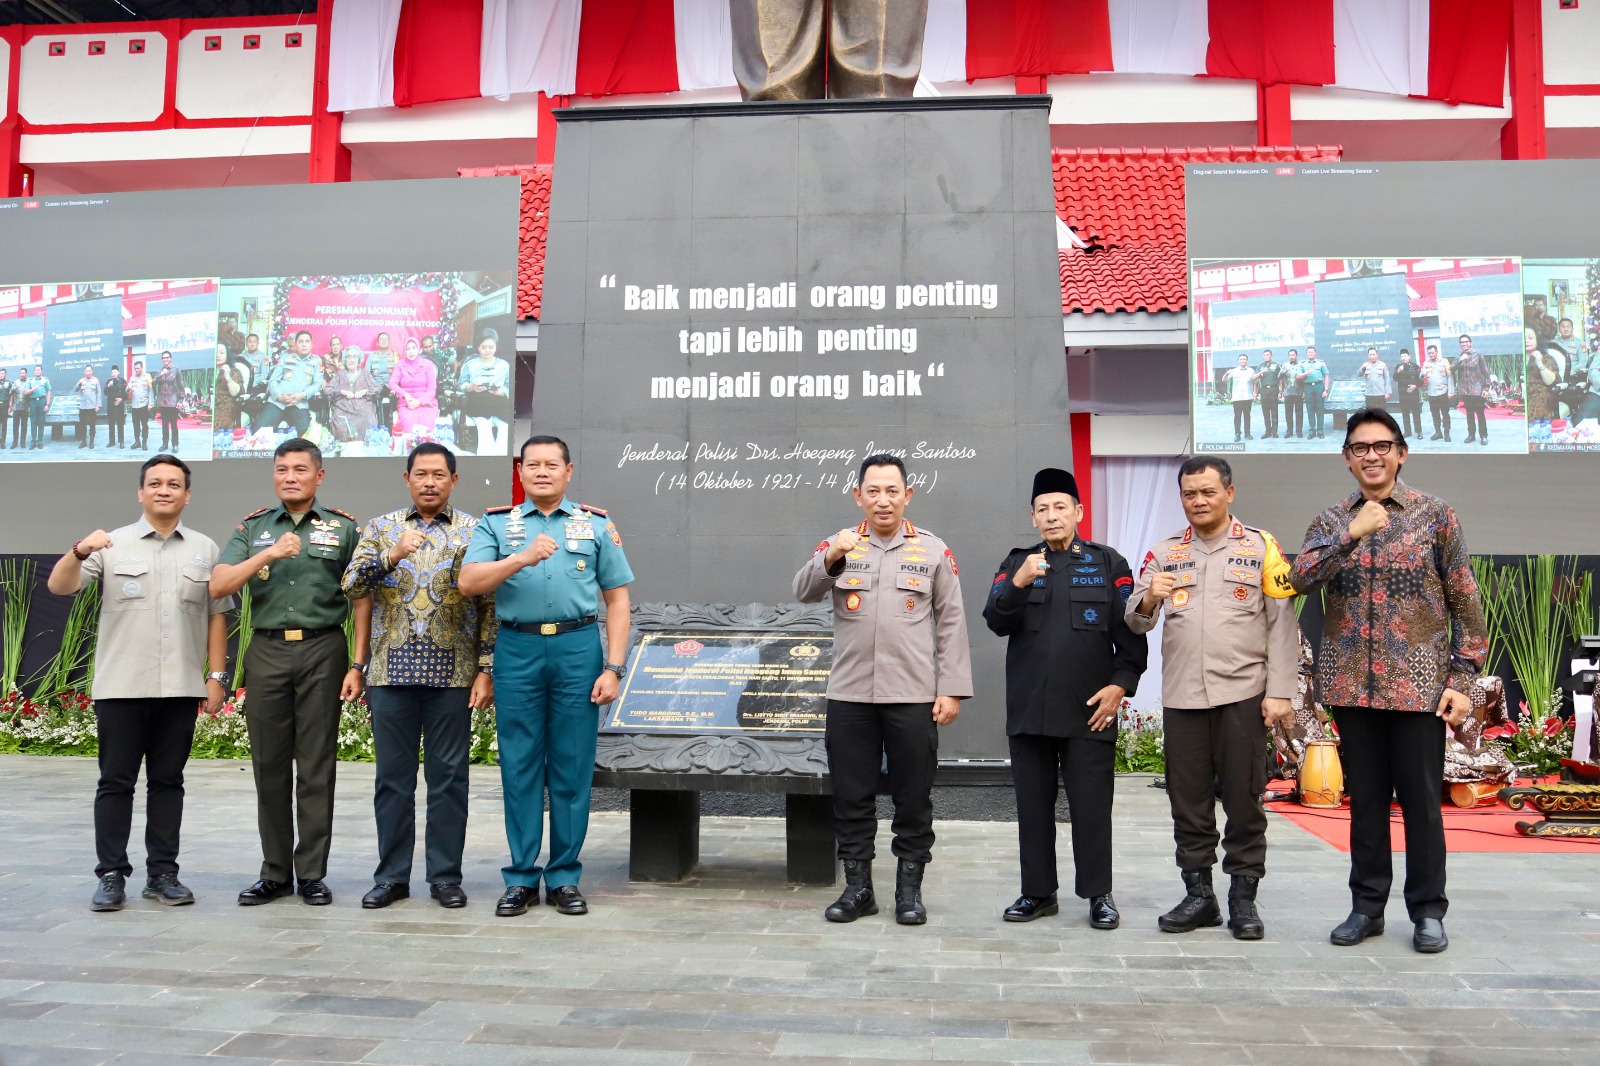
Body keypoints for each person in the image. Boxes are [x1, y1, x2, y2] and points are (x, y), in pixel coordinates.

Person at [1290, 409, 1487, 954]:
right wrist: (1350, 536)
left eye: (1382, 446)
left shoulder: (1435, 516)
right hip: (1352, 686)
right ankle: (1366, 907)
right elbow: (1299, 580)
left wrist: (1463, 679)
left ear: (1402, 452)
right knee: (1366, 802)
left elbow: (1465, 601)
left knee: (1423, 802)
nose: (1371, 455)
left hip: (1419, 687)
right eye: (1360, 447)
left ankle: (1427, 912)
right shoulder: (1331, 520)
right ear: (1346, 458)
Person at [46, 454, 233, 910]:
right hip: (121, 686)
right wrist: (80, 551)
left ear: (187, 494)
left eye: (173, 483)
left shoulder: (205, 549)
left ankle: (163, 874)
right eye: (154, 483)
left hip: (180, 689)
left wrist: (216, 677)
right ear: (140, 492)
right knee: (115, 783)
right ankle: (110, 874)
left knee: (168, 782)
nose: (163, 490)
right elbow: (59, 586)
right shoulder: (110, 544)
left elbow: (216, 618)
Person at [792, 454, 971, 925]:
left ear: (907, 495)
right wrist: (831, 557)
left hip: (913, 695)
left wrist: (950, 688)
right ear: (859, 496)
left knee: (914, 797)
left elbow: (951, 621)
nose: (883, 500)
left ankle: (908, 893)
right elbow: (802, 591)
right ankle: (858, 891)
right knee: (852, 796)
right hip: (850, 696)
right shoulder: (841, 544)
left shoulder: (932, 550)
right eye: (873, 491)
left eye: (892, 491)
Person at [459, 435, 634, 918]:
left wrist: (614, 668)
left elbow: (618, 600)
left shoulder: (595, 524)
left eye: (551, 465)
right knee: (519, 764)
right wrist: (519, 558)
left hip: (578, 648)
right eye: (532, 465)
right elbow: (468, 582)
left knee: (572, 766)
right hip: (518, 648)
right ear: (520, 471)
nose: (541, 472)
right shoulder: (497, 523)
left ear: (568, 471)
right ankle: (519, 878)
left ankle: (562, 877)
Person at [1126, 457, 1298, 940]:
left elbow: (1281, 624)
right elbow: (1136, 620)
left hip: (1243, 694)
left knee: (1244, 798)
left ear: (1229, 492)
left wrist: (1281, 692)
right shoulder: (1164, 553)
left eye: (1207, 492)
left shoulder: (1260, 547)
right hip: (1183, 697)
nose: (1198, 501)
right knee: (1188, 800)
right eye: (1189, 494)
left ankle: (1243, 898)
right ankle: (1199, 895)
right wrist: (1149, 597)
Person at [984, 468, 1145, 928]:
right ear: (1032, 518)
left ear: (1078, 512)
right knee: (1033, 810)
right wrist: (1017, 582)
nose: (1051, 517)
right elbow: (995, 619)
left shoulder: (1108, 563)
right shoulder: (1017, 562)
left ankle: (1099, 894)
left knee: (1092, 808)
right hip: (1030, 710)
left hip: (1089, 710)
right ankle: (1037, 893)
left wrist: (1119, 687)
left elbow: (1130, 636)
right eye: (1042, 510)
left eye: (1060, 507)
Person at [210, 438, 368, 907]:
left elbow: (362, 600)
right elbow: (220, 583)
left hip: (323, 649)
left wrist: (357, 663)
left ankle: (312, 873)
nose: (290, 477)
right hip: (267, 651)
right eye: (282, 470)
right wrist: (268, 555)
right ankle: (274, 872)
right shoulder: (253, 528)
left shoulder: (342, 529)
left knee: (316, 765)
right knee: (269, 765)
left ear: (319, 476)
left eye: (300, 469)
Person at [342, 443, 497, 910]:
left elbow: (489, 606)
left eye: (439, 475)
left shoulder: (475, 531)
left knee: (449, 780)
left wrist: (486, 669)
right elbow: (350, 585)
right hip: (390, 674)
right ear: (406, 478)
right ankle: (391, 877)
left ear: (454, 480)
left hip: (454, 675)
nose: (429, 482)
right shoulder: (382, 528)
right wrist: (390, 556)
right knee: (393, 780)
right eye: (421, 474)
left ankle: (445, 877)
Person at [457, 328, 512, 455]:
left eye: (491, 347)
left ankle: (499, 458)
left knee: (505, 427)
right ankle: (486, 458)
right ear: (478, 348)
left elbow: (511, 387)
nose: (487, 350)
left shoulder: (504, 365)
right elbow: (460, 384)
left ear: (496, 347)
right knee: (484, 425)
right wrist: (472, 387)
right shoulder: (470, 364)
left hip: (498, 401)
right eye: (484, 347)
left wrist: (501, 392)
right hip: (478, 401)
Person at [263, 332, 323, 438]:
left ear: (311, 344)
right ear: (295, 344)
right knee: (259, 433)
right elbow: (272, 381)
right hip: (277, 403)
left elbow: (318, 384)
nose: (304, 345)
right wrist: (280, 396)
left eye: (307, 341)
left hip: (299, 404)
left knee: (305, 436)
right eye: (300, 341)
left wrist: (302, 395)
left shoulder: (317, 361)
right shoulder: (285, 358)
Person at [328, 348, 381, 444]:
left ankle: (365, 448)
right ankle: (342, 450)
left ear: (359, 360)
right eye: (348, 357)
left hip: (363, 407)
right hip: (342, 407)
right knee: (340, 424)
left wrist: (365, 391)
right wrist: (341, 391)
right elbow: (328, 389)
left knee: (367, 417)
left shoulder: (365, 374)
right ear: (345, 360)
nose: (351, 360)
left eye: (354, 357)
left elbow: (377, 388)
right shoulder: (340, 374)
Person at [389, 338, 439, 437]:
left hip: (426, 402)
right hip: (407, 402)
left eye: (413, 348)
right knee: (407, 420)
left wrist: (419, 402)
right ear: (405, 351)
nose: (411, 352)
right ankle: (409, 449)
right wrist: (405, 395)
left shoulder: (428, 364)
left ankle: (426, 448)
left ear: (418, 349)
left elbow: (432, 390)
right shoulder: (400, 364)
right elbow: (392, 383)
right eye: (408, 349)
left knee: (427, 420)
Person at [1454, 334, 1489, 446]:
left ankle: (1483, 436)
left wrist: (1486, 388)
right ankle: (1471, 435)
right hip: (1465, 392)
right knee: (1469, 414)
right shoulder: (1458, 356)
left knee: (1480, 414)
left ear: (1470, 342)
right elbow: (1452, 369)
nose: (1464, 344)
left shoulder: (1478, 355)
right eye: (1462, 342)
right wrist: (1460, 360)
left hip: (1478, 391)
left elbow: (1486, 372)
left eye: (1466, 342)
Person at [1525, 327, 1562, 423]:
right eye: (1524, 338)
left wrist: (1540, 363)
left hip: (1540, 397)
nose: (1526, 341)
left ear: (1537, 340)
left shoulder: (1546, 358)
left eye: (1530, 338)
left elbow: (1551, 381)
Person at [1421, 343, 1453, 441]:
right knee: (1434, 414)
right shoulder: (1425, 364)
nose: (1431, 355)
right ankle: (1438, 432)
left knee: (1445, 413)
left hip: (1443, 392)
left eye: (1433, 353)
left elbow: (1450, 377)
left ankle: (1447, 433)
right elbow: (1421, 379)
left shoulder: (1444, 362)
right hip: (1432, 393)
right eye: (1429, 353)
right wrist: (1422, 375)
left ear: (1437, 352)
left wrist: (1450, 391)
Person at [1220, 354, 1256, 442]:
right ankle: (1237, 434)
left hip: (1248, 397)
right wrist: (1226, 373)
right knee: (1237, 417)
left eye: (1244, 359)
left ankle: (1247, 433)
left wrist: (1254, 394)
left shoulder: (1251, 370)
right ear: (1238, 361)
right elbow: (1224, 380)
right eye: (1241, 359)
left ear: (1247, 361)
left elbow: (1255, 382)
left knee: (1247, 416)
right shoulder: (1234, 371)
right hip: (1237, 398)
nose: (1243, 360)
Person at [215, 345, 251, 431]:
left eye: (222, 353)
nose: (218, 355)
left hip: (227, 406)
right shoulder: (208, 371)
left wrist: (227, 376)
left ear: (227, 355)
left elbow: (236, 393)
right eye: (215, 352)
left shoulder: (233, 371)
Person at [153, 351, 183, 451]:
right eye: (163, 358)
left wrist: (180, 400)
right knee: (164, 425)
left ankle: (175, 444)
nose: (165, 359)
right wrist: (161, 374)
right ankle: (165, 444)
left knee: (174, 425)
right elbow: (153, 383)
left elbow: (181, 386)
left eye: (167, 357)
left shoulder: (176, 370)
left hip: (173, 403)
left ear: (170, 358)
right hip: (162, 403)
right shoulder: (159, 371)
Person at [1299, 347, 1329, 439]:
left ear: (1315, 353)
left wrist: (1326, 390)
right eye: (1309, 352)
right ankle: (1312, 431)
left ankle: (1320, 431)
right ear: (1307, 354)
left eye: (1312, 352)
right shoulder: (1303, 364)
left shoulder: (1320, 363)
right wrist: (1306, 373)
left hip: (1319, 386)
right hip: (1308, 387)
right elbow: (1298, 376)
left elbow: (1326, 376)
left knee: (1320, 409)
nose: (1310, 353)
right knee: (1310, 409)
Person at [1393, 349, 1421, 439]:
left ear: (1409, 357)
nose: (1403, 358)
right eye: (1402, 356)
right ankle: (1407, 431)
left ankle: (1419, 432)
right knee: (1405, 414)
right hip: (1403, 395)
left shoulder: (1415, 366)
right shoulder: (1398, 367)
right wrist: (1398, 371)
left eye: (1405, 356)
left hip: (1414, 395)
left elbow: (1421, 379)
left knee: (1416, 414)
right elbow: (1395, 378)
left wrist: (1415, 386)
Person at [1255, 350, 1282, 438]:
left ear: (1271, 356)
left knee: (1274, 411)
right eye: (1264, 355)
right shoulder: (1260, 366)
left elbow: (1281, 378)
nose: (1266, 356)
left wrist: (1280, 391)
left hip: (1274, 389)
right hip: (1264, 390)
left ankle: (1274, 432)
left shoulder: (1276, 365)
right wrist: (1261, 372)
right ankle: (1267, 431)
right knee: (1265, 412)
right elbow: (1254, 378)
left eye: (1268, 355)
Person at [75, 364, 103, 450]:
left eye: (89, 371)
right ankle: (84, 441)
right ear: (84, 372)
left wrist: (98, 405)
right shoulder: (81, 381)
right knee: (82, 425)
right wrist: (79, 384)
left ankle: (91, 441)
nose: (88, 372)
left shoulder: (96, 381)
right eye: (86, 371)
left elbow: (98, 394)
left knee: (92, 425)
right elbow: (75, 389)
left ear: (92, 371)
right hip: (83, 407)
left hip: (92, 407)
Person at [127, 359, 153, 450]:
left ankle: (144, 442)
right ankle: (137, 442)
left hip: (144, 404)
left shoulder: (147, 377)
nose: (137, 370)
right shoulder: (132, 378)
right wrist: (128, 387)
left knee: (144, 424)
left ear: (142, 368)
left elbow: (151, 391)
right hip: (134, 405)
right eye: (135, 369)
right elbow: (127, 389)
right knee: (136, 424)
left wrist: (150, 403)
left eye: (138, 368)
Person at [25, 364, 51, 450]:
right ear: (34, 371)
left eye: (39, 370)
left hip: (42, 401)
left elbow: (48, 391)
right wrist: (33, 389)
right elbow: (25, 392)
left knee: (41, 422)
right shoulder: (30, 380)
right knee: (33, 422)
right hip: (33, 402)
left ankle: (40, 441)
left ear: (41, 371)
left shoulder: (45, 380)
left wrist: (47, 404)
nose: (37, 371)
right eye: (36, 370)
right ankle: (33, 442)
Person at [1357, 348, 1390, 412]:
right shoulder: (1365, 365)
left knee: (1381, 414)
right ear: (1368, 356)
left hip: (1380, 393)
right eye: (1370, 354)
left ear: (1377, 355)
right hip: (1369, 394)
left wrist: (1388, 393)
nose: (1372, 356)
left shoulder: (1382, 365)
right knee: (1370, 414)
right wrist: (1363, 368)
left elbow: (1387, 379)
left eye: (1373, 354)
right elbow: (1359, 374)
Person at [1280, 350, 1303, 439]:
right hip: (1288, 393)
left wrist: (1304, 391)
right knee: (1288, 413)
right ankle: (1289, 431)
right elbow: (1280, 376)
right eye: (1290, 355)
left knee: (1299, 413)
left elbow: (1304, 378)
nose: (1292, 356)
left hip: (1298, 392)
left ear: (1296, 355)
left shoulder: (1301, 364)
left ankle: (1299, 431)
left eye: (1293, 355)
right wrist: (1285, 371)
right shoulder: (1285, 365)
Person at [103, 364, 127, 449]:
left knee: (120, 424)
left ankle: (121, 442)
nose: (113, 373)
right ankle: (111, 442)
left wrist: (121, 399)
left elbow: (126, 394)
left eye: (115, 372)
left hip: (119, 406)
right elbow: (105, 392)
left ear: (118, 372)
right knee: (111, 424)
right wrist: (108, 386)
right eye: (112, 372)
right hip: (111, 406)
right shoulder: (108, 381)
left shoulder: (123, 381)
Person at [0, 369, 14, 451]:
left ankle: (3, 443)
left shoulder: (9, 383)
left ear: (5, 374)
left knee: (4, 424)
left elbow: (11, 395)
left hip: (5, 405)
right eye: (0, 373)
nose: (1, 375)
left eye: (2, 373)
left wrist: (10, 406)